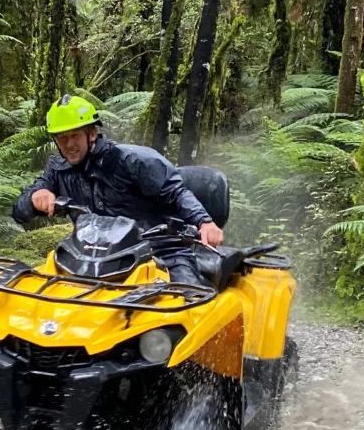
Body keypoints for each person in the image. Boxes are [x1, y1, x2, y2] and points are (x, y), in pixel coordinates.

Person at [12, 94, 224, 286]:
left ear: (92, 134)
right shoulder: (58, 167)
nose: (68, 144)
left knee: (186, 301)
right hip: (91, 258)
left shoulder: (132, 161)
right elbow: (19, 212)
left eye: (74, 135)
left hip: (159, 251)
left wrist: (204, 222)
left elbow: (177, 193)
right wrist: (35, 197)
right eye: (62, 138)